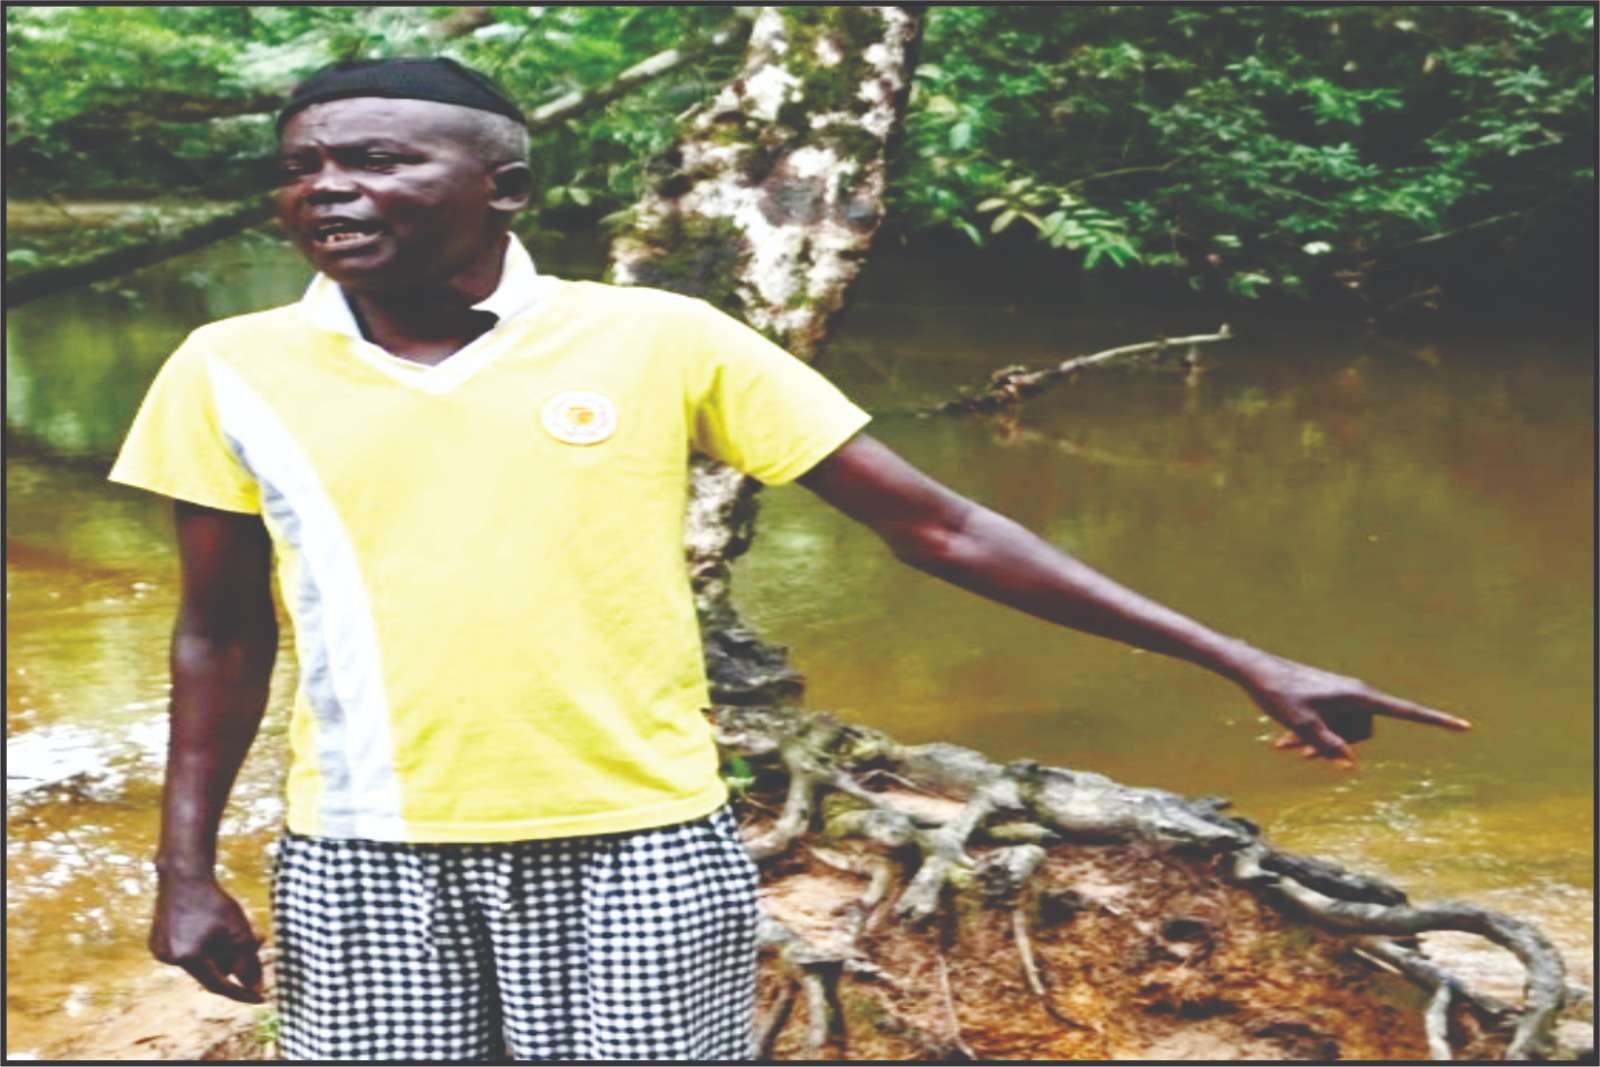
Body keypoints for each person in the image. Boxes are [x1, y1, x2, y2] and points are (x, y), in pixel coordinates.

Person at [109, 58, 1471, 1061]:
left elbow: (938, 527)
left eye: (376, 160)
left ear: (504, 188)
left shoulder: (660, 339)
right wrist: (184, 868)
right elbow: (220, 630)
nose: (327, 188)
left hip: (640, 845)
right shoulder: (230, 367)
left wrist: (1239, 657)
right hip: (365, 852)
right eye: (303, 167)